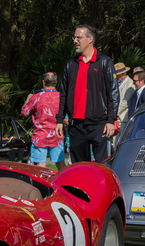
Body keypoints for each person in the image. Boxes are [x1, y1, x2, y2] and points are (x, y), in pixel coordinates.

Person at [55, 24, 118, 163]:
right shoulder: (71, 64)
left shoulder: (105, 62)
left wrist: (111, 120)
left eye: (78, 37)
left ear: (90, 39)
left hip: (100, 125)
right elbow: (63, 93)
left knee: (103, 167)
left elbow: (113, 93)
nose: (74, 40)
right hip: (76, 125)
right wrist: (60, 119)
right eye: (74, 37)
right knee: (79, 168)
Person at [22, 72, 66, 170]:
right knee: (60, 163)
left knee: (40, 166)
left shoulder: (35, 97)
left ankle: (42, 184)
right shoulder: (61, 97)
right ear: (55, 82)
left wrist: (27, 100)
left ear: (43, 82)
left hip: (40, 136)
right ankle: (65, 183)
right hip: (56, 135)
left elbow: (25, 112)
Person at [114, 62, 135, 147]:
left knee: (120, 141)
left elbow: (125, 102)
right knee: (115, 142)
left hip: (123, 117)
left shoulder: (130, 84)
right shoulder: (119, 82)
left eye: (117, 75)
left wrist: (115, 112)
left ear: (122, 74)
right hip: (117, 117)